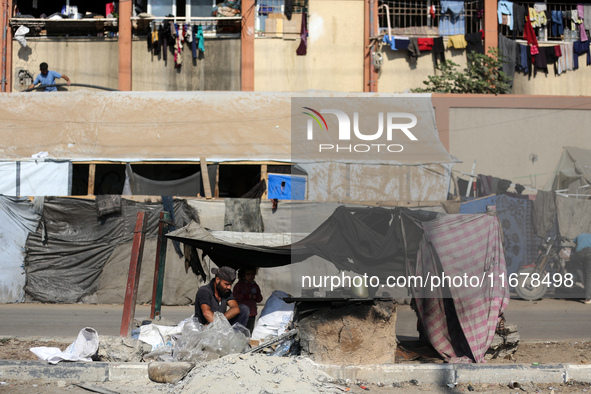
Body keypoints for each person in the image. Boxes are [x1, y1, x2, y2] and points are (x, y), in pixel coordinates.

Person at [232, 267, 263, 333]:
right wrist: (247, 296)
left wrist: (256, 297)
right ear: (243, 275)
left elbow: (260, 298)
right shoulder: (239, 285)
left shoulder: (254, 285)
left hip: (252, 313)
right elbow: (234, 297)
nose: (251, 276)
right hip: (242, 314)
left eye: (253, 274)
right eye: (248, 274)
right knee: (240, 332)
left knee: (249, 332)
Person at [571, 233, 591, 304]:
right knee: (589, 275)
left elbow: (575, 246)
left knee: (576, 265)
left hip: (579, 253)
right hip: (589, 253)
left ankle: (582, 281)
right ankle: (588, 299)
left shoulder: (580, 235)